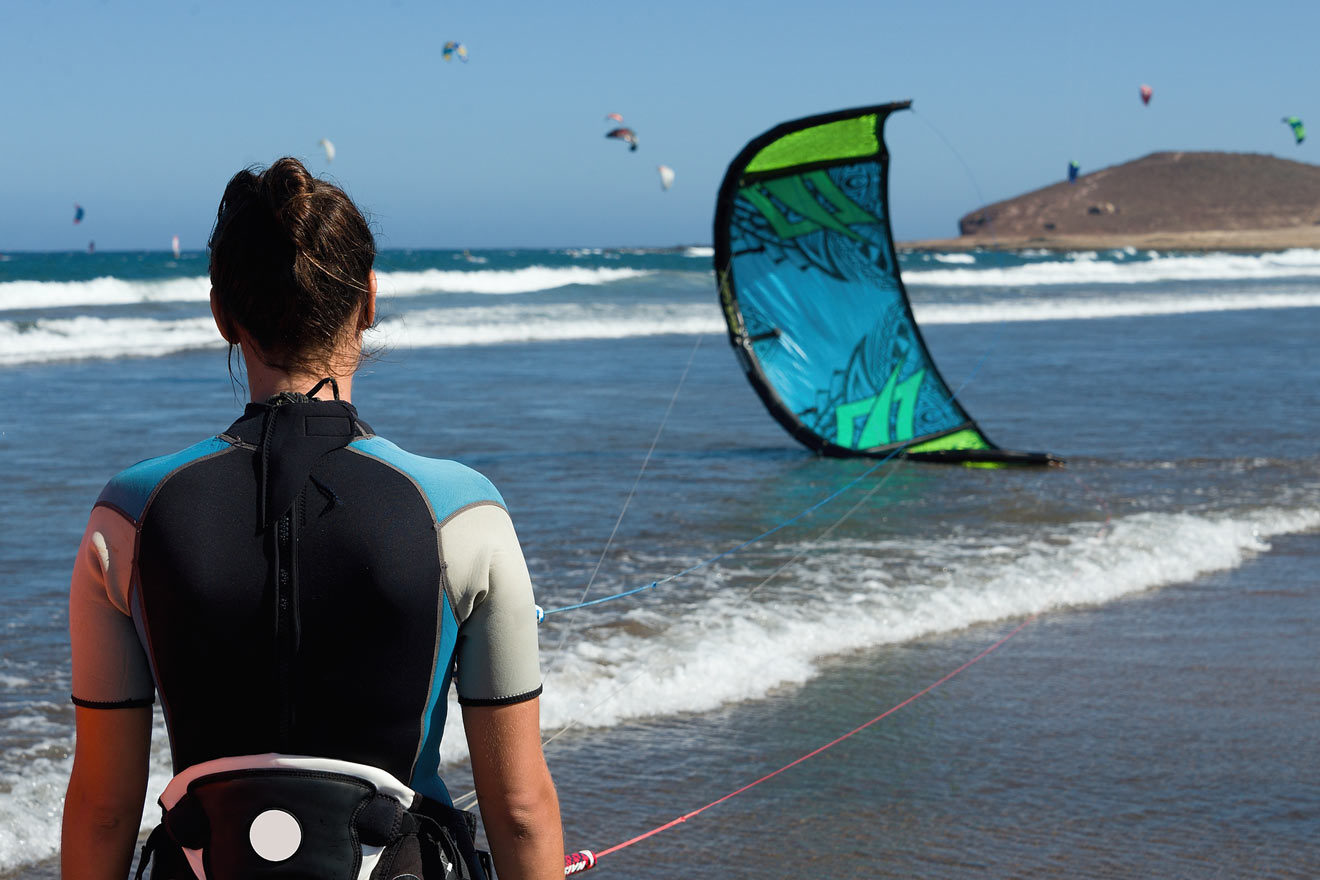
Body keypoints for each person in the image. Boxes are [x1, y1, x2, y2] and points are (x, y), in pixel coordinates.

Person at [62, 158, 563, 879]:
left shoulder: (125, 519)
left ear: (221, 314)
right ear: (368, 302)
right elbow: (518, 809)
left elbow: (103, 810)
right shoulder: (466, 514)